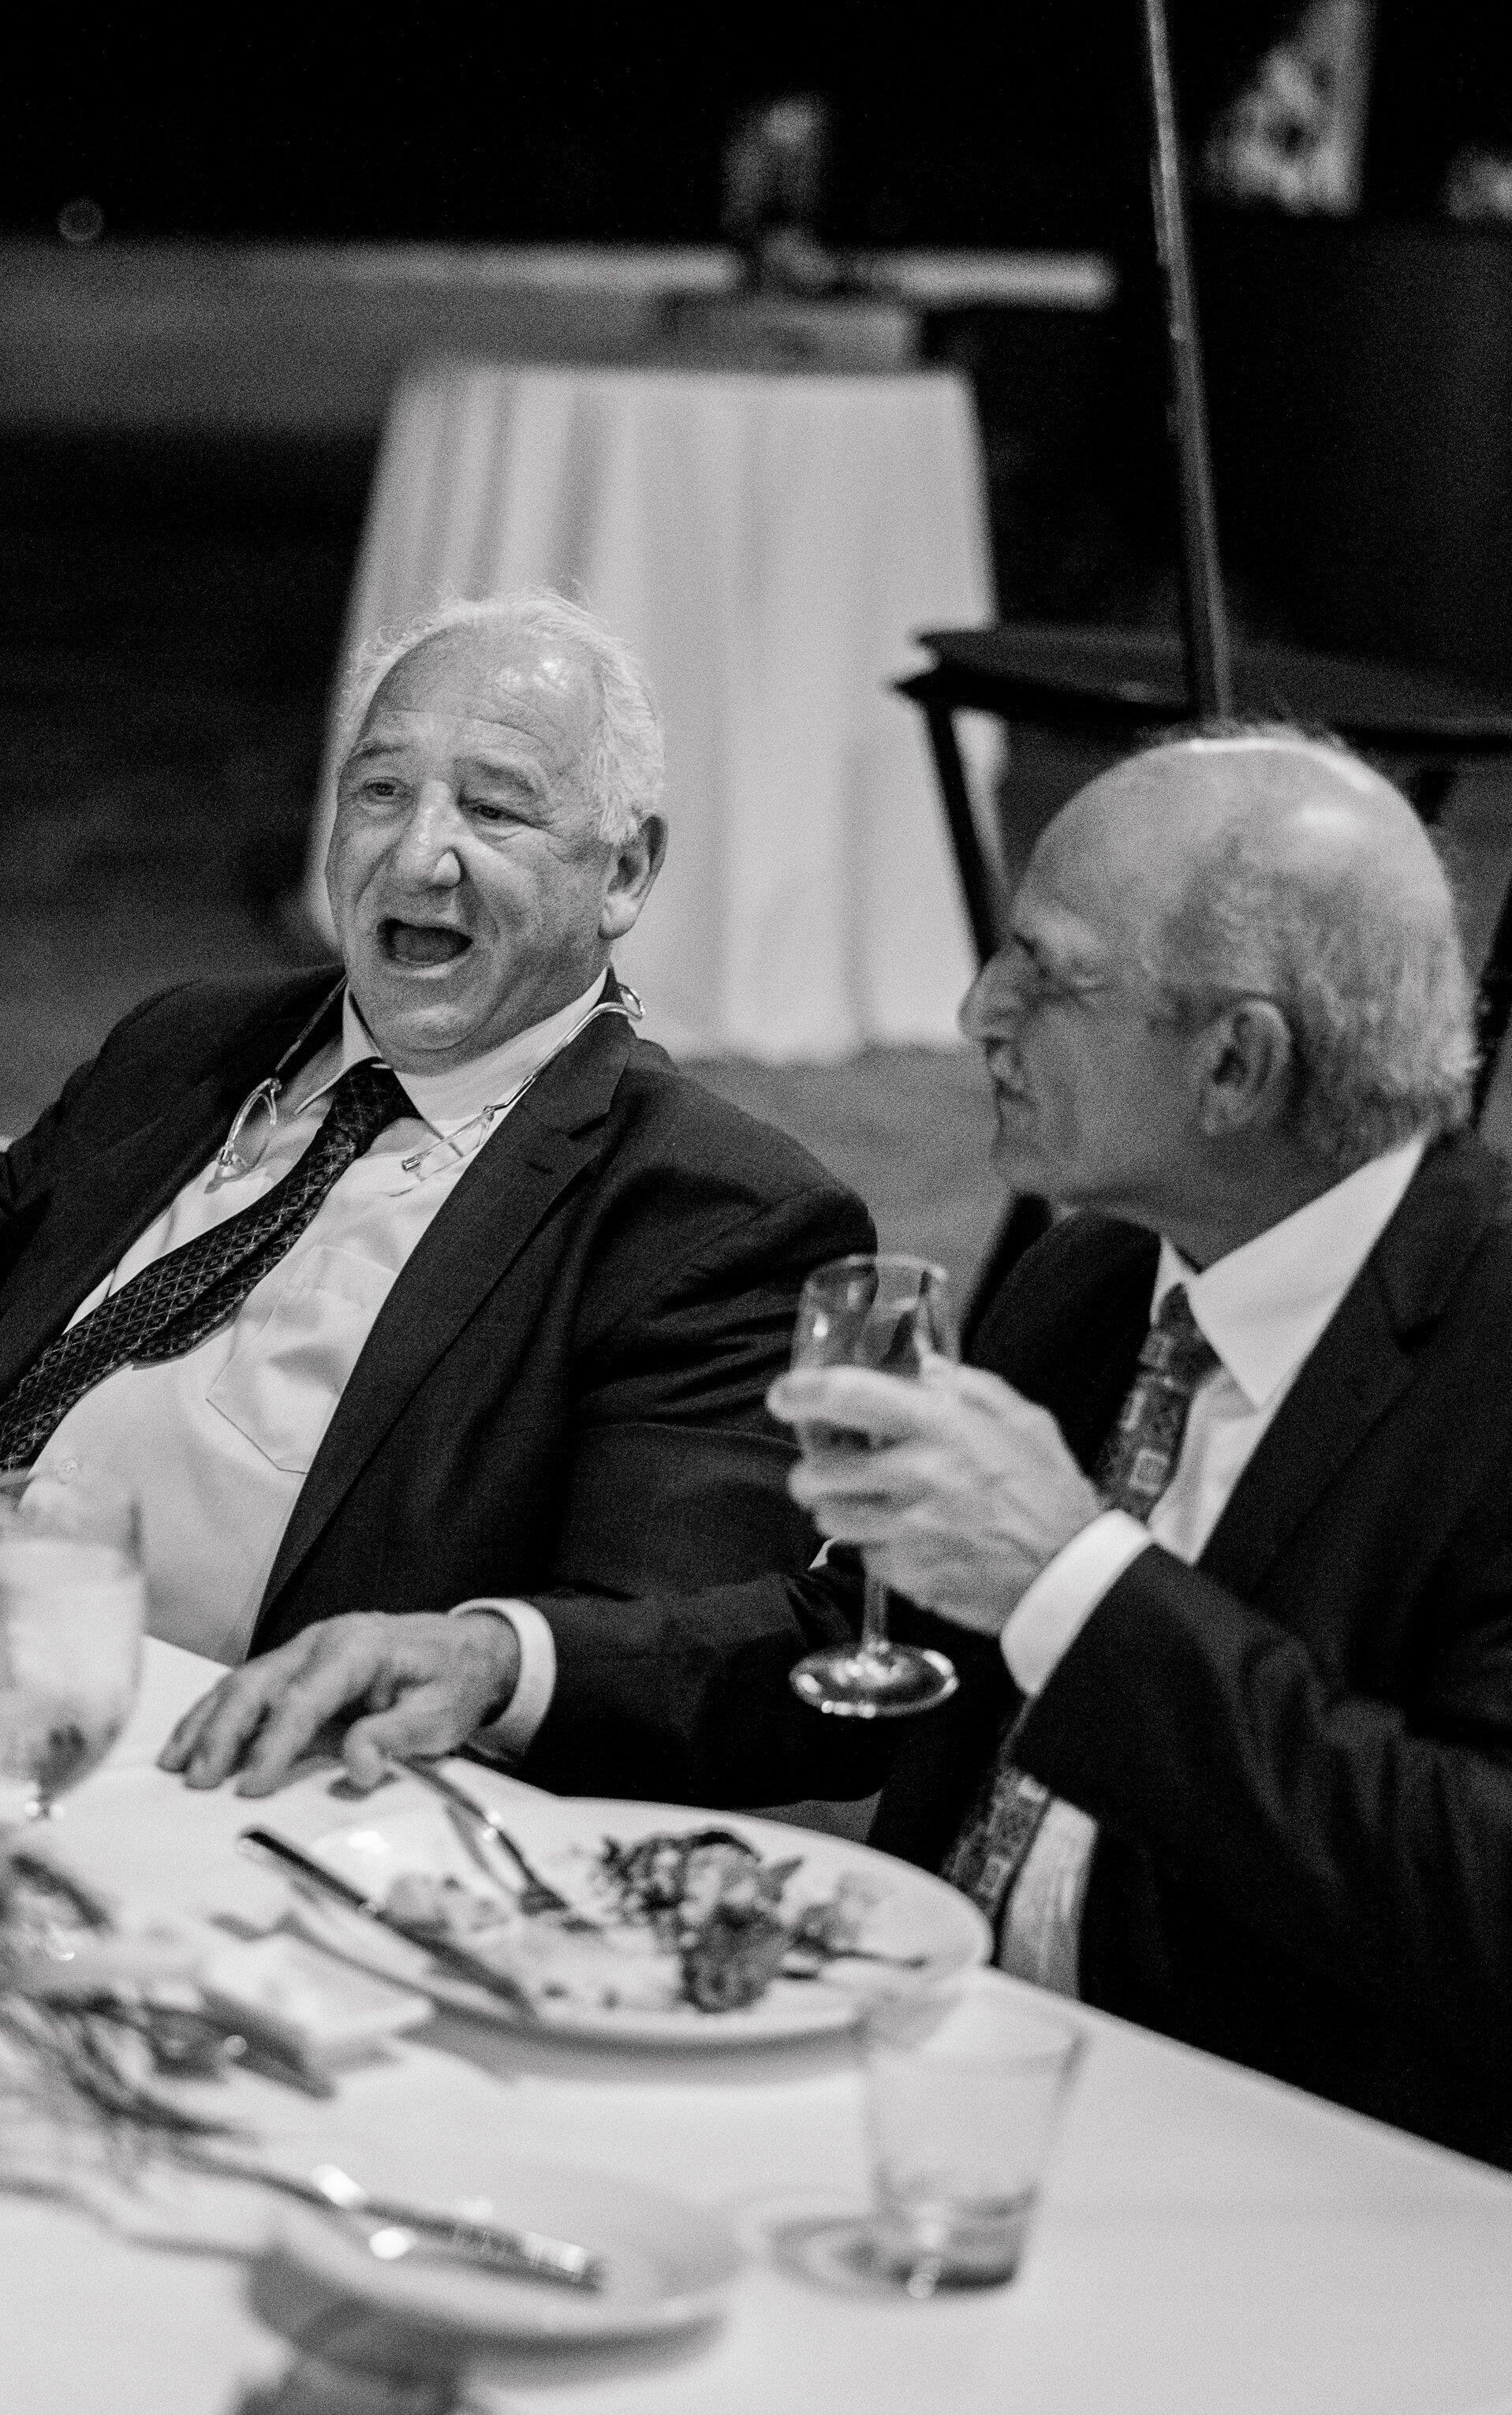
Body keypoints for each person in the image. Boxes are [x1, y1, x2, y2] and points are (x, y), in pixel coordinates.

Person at [174, 727, 1512, 2169]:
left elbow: (1477, 1888)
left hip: (1289, 2186)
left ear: (1235, 1064)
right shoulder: (1101, 1273)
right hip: (933, 2090)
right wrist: (500, 1661)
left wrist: (1072, 1582)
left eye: (1042, 974)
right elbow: (871, 1650)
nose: (973, 1013)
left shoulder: (1482, 1356)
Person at [0, 594, 869, 1687]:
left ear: (625, 872)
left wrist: (484, 1661)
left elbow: (672, 1639)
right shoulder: (195, 1041)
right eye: (379, 792)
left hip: (222, 1783)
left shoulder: (702, 1210)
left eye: (494, 808)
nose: (416, 855)